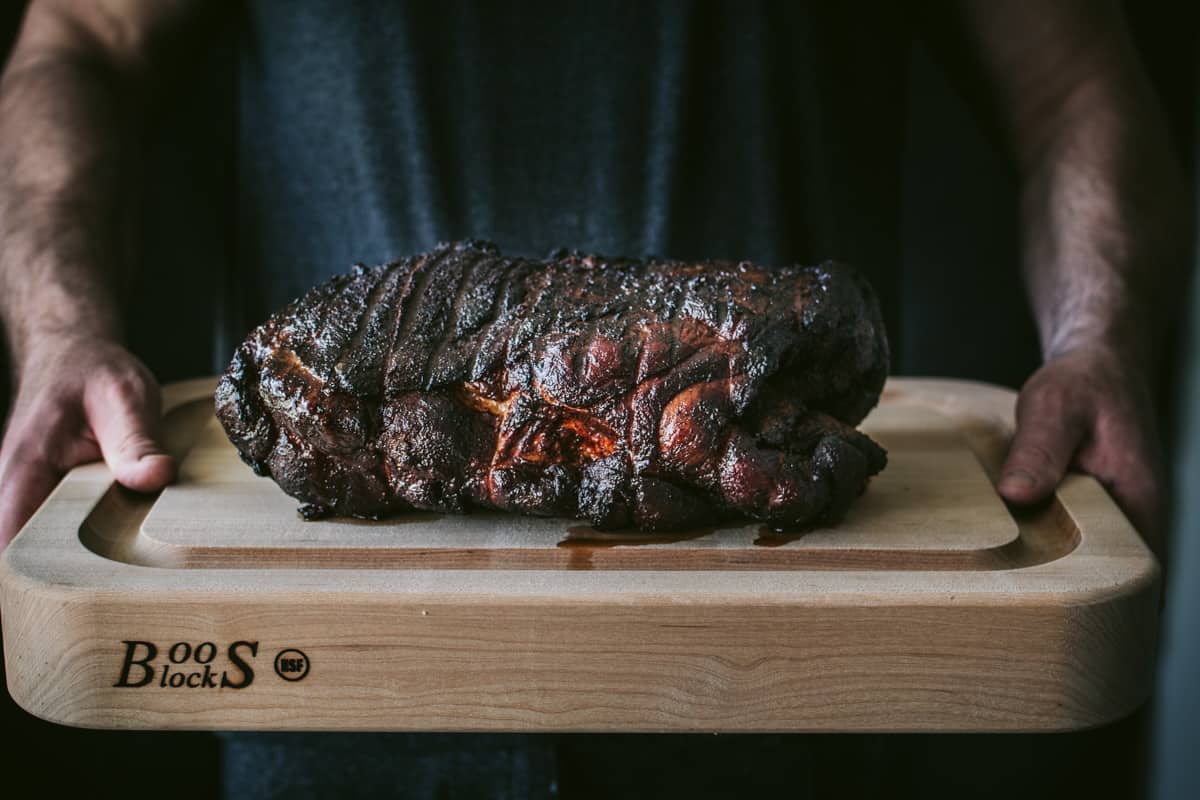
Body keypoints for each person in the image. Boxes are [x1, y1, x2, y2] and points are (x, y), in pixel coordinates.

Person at [0, 1, 1187, 797]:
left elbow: (1072, 78)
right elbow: (84, 38)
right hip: (337, 680)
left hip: (800, 680)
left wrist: (1099, 338)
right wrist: (60, 324)